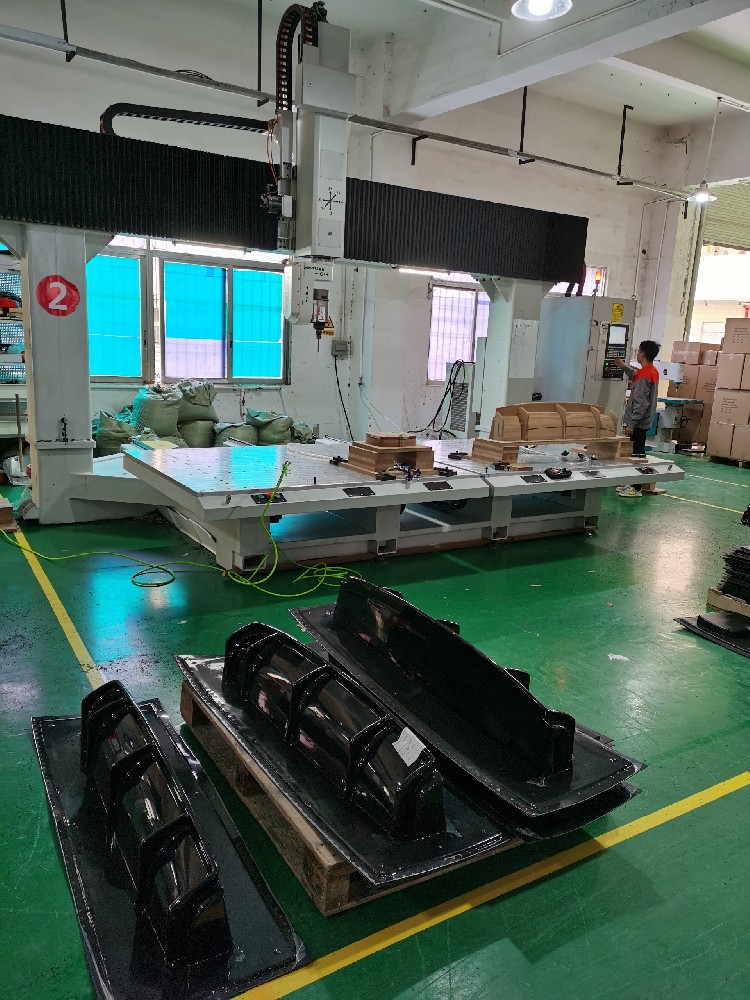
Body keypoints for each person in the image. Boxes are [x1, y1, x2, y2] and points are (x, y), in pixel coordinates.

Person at [613, 340, 660, 498]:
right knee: (634, 453)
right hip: (641, 421)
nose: (637, 354)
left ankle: (636, 488)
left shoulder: (646, 374)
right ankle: (633, 483)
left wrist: (631, 424)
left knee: (637, 455)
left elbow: (641, 403)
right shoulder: (649, 371)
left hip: (639, 423)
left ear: (643, 353)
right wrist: (624, 366)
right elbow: (635, 374)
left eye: (639, 351)